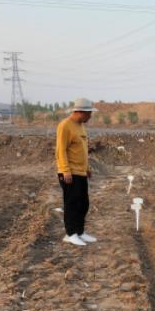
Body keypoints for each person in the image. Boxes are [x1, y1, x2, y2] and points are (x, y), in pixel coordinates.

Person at [56, 97, 96, 246]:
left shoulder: (81, 126)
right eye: (89, 113)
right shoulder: (65, 126)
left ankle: (80, 231)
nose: (90, 116)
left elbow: (82, 150)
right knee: (72, 204)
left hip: (80, 172)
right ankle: (70, 234)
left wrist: (87, 168)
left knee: (83, 204)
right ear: (80, 112)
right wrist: (65, 170)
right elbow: (61, 150)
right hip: (70, 173)